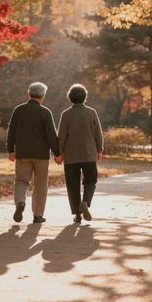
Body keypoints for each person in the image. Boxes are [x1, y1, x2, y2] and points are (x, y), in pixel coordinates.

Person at [6, 82, 61, 224]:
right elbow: (51, 135)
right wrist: (57, 153)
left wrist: (11, 150)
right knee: (40, 184)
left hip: (23, 153)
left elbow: (11, 131)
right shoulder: (45, 112)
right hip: (41, 155)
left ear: (29, 94)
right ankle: (38, 215)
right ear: (43, 96)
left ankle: (20, 202)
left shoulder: (19, 110)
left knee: (21, 181)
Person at [56, 84, 103, 223]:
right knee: (91, 181)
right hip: (89, 154)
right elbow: (98, 134)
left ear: (70, 98)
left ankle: (77, 214)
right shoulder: (91, 112)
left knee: (72, 185)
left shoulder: (66, 114)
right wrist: (99, 150)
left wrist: (59, 153)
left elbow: (62, 136)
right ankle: (85, 202)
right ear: (84, 98)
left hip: (71, 156)